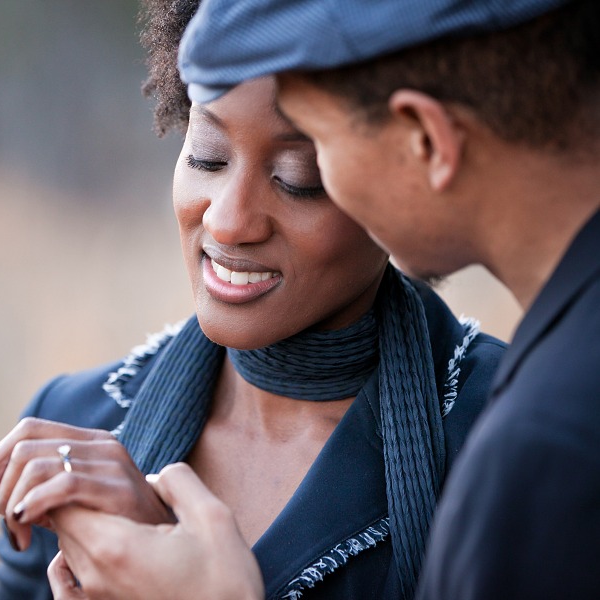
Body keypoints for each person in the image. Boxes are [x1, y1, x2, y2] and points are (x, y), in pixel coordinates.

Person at [44, 0, 600, 598]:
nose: (229, 222)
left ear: (426, 140)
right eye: (205, 155)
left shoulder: (531, 439)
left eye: (302, 175)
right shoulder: (72, 439)